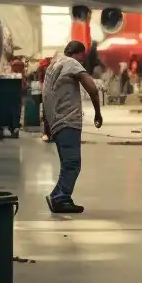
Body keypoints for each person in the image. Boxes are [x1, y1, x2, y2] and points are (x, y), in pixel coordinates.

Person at [42, 40, 103, 214]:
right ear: (80, 54)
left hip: (56, 121)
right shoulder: (72, 63)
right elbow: (92, 88)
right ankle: (61, 198)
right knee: (72, 164)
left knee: (67, 163)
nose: (82, 63)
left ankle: (56, 195)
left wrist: (47, 125)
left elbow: (45, 95)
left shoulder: (54, 65)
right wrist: (98, 112)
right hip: (68, 120)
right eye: (82, 59)